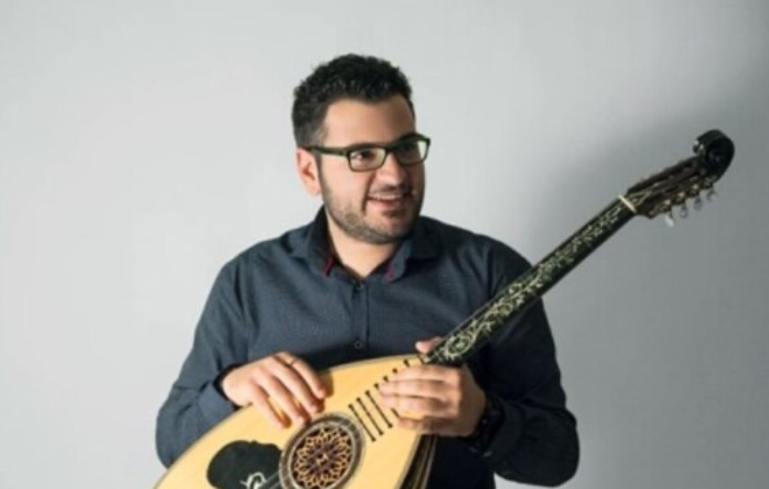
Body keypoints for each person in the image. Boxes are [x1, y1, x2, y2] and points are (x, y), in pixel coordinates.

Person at [156, 53, 579, 488]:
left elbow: (558, 458)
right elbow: (172, 439)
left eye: (406, 148)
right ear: (309, 170)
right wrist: (229, 390)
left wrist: (480, 417)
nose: (395, 175)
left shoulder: (492, 274)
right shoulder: (250, 281)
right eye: (362, 155)